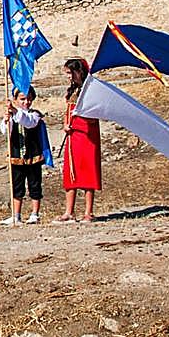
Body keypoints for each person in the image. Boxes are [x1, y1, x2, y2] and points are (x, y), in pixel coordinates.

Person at [57, 58, 102, 223]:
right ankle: (69, 212)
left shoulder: (89, 89)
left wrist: (78, 121)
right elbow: (67, 111)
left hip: (87, 135)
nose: (68, 77)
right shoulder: (72, 91)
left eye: (70, 73)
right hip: (73, 135)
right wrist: (66, 124)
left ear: (78, 72)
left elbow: (94, 114)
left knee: (88, 170)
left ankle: (88, 212)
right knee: (71, 170)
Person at [1, 86, 45, 225]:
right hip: (16, 156)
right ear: (16, 100)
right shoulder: (12, 115)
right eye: (22, 99)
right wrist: (7, 120)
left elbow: (28, 122)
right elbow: (5, 131)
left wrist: (15, 111)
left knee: (34, 184)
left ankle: (34, 213)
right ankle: (16, 215)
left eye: (29, 99)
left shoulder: (35, 114)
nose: (26, 102)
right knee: (17, 185)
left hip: (33, 155)